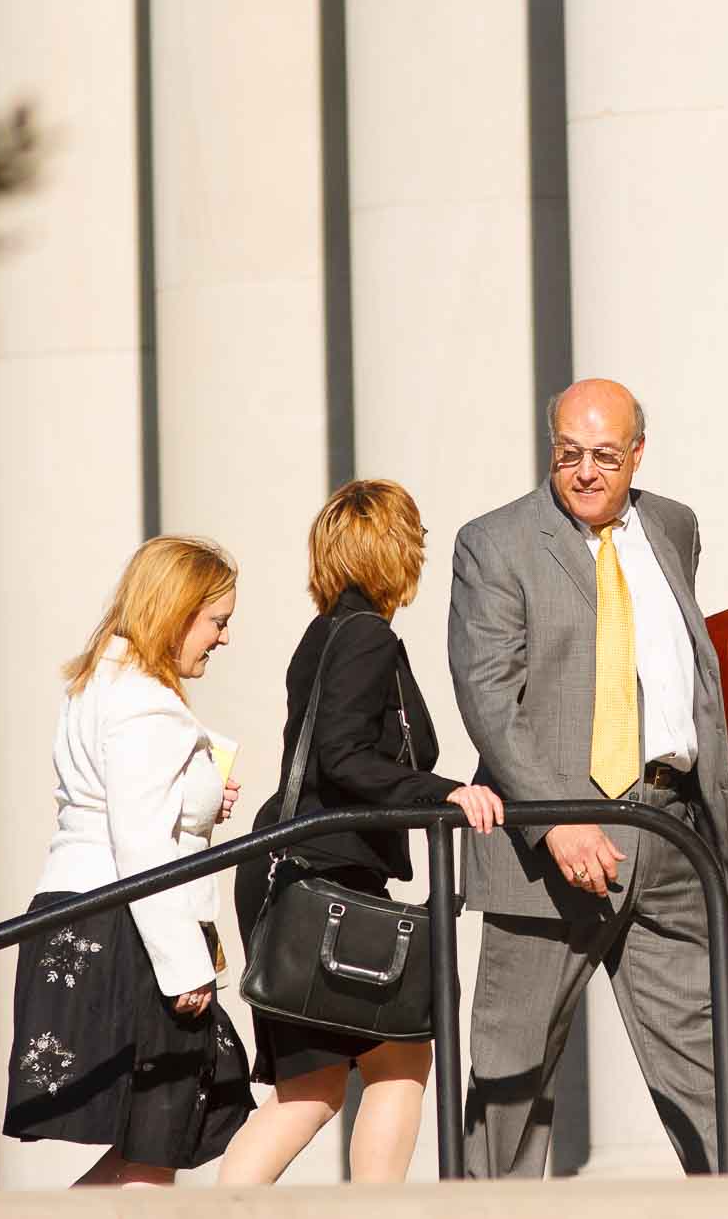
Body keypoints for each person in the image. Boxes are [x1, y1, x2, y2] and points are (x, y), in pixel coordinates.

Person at [448, 378, 728, 1176]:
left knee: (707, 1069)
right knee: (510, 1079)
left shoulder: (672, 525)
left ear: (636, 455)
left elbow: (670, 664)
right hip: (547, 849)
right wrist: (555, 820)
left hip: (668, 833)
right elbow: (489, 697)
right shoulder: (495, 543)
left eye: (602, 455)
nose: (584, 472)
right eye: (567, 454)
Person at [220, 479, 503, 1185]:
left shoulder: (326, 634)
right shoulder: (366, 637)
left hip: (302, 869)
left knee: (346, 1078)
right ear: (396, 550)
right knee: (343, 1082)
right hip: (326, 875)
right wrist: (448, 793)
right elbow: (344, 756)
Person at [2, 535, 255, 1187]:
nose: (223, 639)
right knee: (156, 1140)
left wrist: (199, 796)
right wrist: (182, 966)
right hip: (131, 929)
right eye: (216, 622)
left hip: (82, 912)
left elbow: (119, 808)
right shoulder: (147, 703)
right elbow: (141, 844)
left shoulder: (98, 686)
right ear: (176, 613)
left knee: (151, 1143)